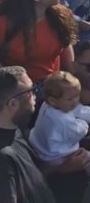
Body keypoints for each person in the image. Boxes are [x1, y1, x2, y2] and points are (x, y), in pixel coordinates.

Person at [0, 0, 76, 83]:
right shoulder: (4, 24)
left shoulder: (60, 17)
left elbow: (66, 48)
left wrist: (71, 81)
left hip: (54, 88)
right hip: (20, 90)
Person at [29, 70, 90, 178]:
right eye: (70, 99)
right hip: (54, 156)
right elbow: (80, 132)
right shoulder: (62, 120)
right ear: (53, 100)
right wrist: (86, 122)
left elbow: (76, 108)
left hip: (38, 144)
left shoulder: (48, 104)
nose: (75, 101)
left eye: (77, 96)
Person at [0, 65, 55, 202]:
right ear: (12, 103)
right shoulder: (3, 157)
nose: (36, 96)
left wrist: (63, 167)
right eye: (31, 91)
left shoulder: (16, 132)